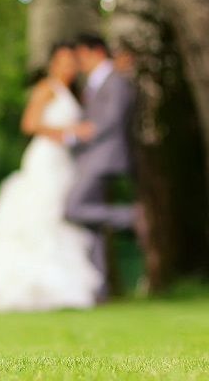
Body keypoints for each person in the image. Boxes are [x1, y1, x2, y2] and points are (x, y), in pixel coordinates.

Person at [0, 42, 101, 312]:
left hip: (62, 162)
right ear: (52, 64)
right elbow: (30, 124)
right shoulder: (46, 89)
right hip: (45, 158)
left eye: (72, 62)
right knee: (38, 215)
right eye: (63, 61)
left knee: (58, 219)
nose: (69, 67)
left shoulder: (73, 93)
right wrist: (70, 131)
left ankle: (58, 286)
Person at [63, 34, 138, 302]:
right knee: (92, 227)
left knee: (72, 208)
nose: (78, 62)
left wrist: (83, 132)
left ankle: (132, 217)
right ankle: (99, 288)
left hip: (104, 157)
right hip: (90, 157)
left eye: (81, 55)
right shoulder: (94, 83)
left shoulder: (115, 79)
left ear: (95, 52)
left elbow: (111, 118)